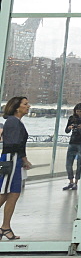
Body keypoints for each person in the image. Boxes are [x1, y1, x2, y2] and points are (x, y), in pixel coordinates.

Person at [0, 96, 33, 240]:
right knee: (5, 192)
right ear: (17, 107)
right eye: (25, 104)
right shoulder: (13, 122)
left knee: (13, 193)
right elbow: (13, 144)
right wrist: (23, 158)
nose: (28, 106)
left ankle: (5, 227)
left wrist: (22, 158)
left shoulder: (16, 122)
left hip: (15, 158)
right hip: (11, 158)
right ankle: (5, 227)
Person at [63, 103, 81, 190]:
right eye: (77, 111)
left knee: (79, 164)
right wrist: (70, 127)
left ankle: (76, 182)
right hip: (72, 141)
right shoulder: (72, 118)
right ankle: (71, 181)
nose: (79, 113)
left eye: (80, 111)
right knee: (68, 163)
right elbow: (66, 131)